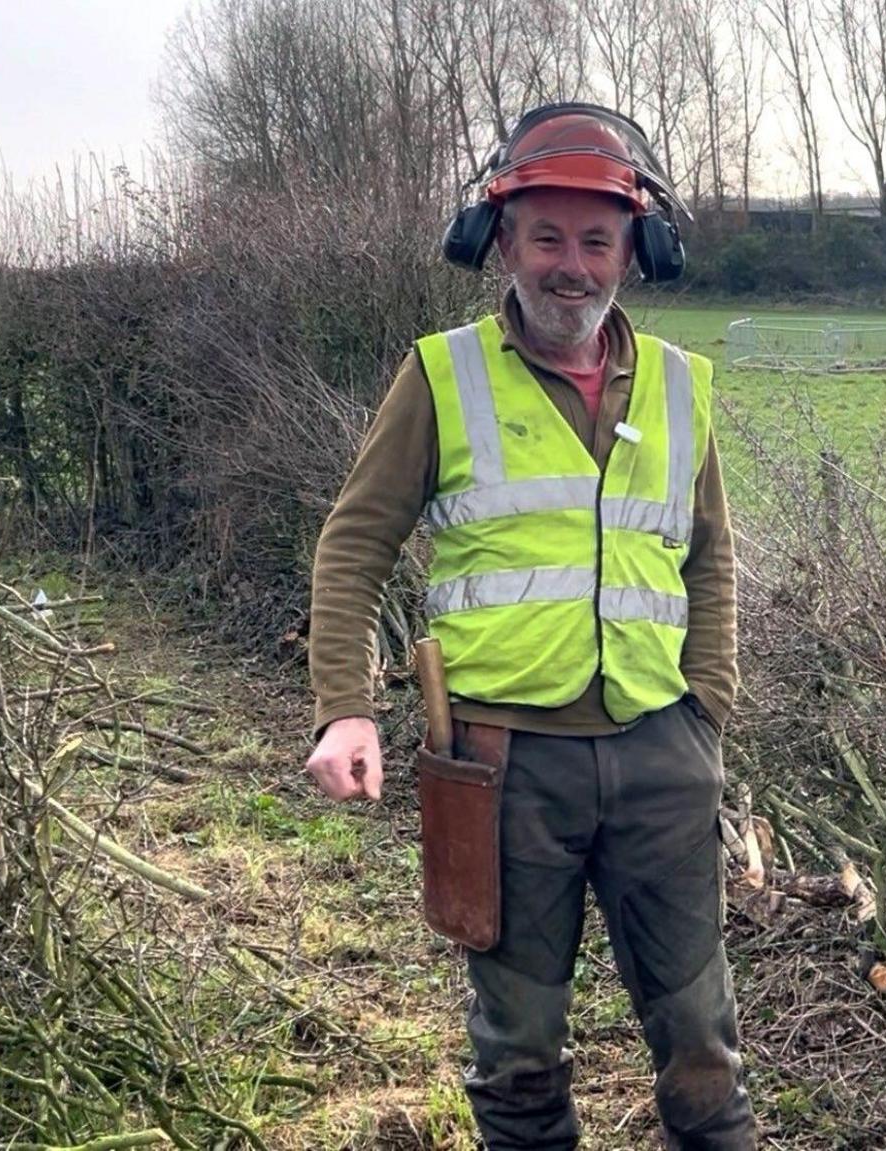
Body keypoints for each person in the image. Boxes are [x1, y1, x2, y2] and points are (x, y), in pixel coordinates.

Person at [301, 103, 754, 1150]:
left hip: (659, 754)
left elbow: (711, 555)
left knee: (700, 1038)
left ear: (633, 252)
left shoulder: (683, 387)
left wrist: (706, 713)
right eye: (546, 237)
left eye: (596, 240)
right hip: (502, 766)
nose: (570, 265)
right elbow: (354, 539)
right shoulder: (442, 374)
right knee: (516, 1045)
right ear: (501, 242)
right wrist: (343, 709)